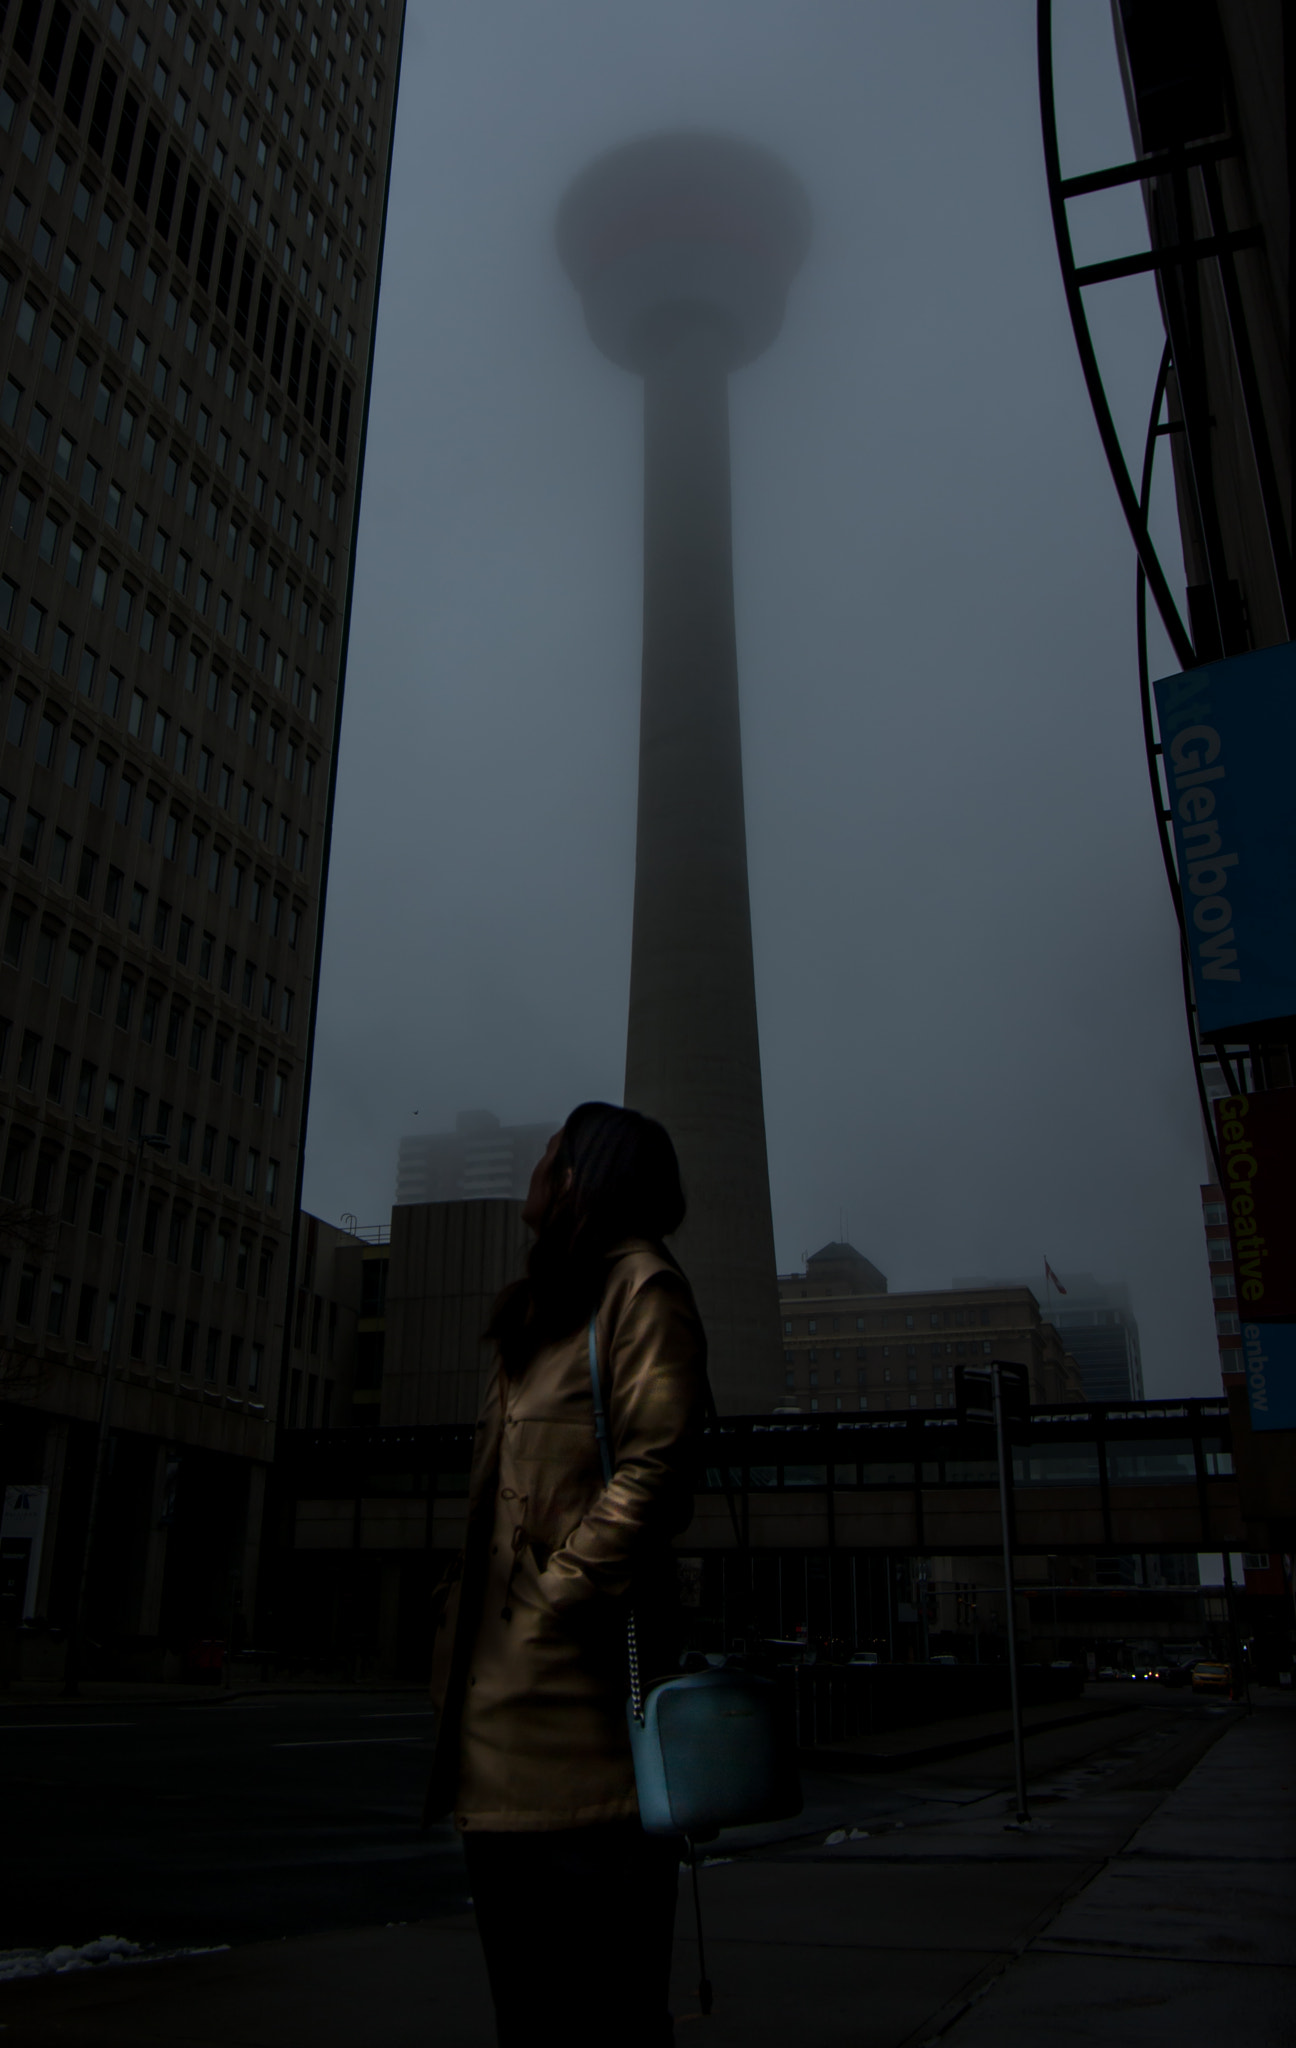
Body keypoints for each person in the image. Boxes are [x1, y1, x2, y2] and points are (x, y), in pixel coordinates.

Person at [426, 1101, 708, 2047]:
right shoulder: (548, 1310)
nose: (534, 1169)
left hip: (590, 1748)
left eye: (549, 1154)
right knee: (531, 2019)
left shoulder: (644, 1291)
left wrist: (556, 1598)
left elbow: (658, 1469)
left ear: (583, 1176)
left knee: (605, 2017)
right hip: (497, 1737)